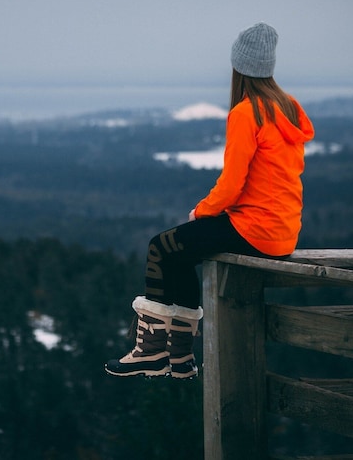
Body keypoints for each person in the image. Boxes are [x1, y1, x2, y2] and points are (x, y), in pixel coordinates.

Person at [104, 22, 315, 379]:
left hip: (254, 229)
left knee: (161, 246)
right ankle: (180, 359)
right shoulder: (288, 108)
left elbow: (232, 183)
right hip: (283, 231)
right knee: (180, 254)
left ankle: (151, 352)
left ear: (238, 66)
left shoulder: (246, 113)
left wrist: (201, 212)